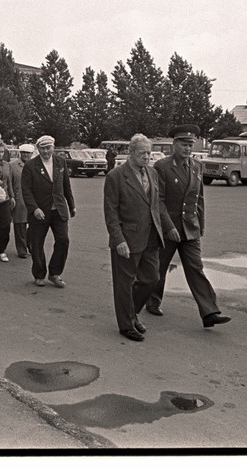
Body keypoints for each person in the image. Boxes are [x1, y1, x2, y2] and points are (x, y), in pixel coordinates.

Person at [148, 124, 232, 328]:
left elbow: (199, 198)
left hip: (190, 228)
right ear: (174, 144)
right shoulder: (162, 167)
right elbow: (158, 201)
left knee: (196, 268)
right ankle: (151, 301)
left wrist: (200, 225)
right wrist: (168, 227)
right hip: (169, 230)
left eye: (190, 144)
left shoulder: (196, 166)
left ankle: (209, 312)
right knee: (158, 268)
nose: (187, 148)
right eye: (184, 144)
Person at [103, 133, 165, 342]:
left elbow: (155, 205)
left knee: (151, 279)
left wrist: (166, 228)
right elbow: (111, 212)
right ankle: (126, 325)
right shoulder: (116, 176)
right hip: (127, 238)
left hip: (150, 237)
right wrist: (118, 239)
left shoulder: (153, 173)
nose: (147, 157)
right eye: (142, 153)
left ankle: (133, 312)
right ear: (130, 153)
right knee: (124, 283)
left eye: (149, 153)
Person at [21, 135, 75, 288]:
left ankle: (54, 273)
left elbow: (66, 185)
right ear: (38, 149)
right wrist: (34, 208)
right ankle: (39, 274)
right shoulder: (31, 166)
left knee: (63, 241)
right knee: (36, 244)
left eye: (48, 148)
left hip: (58, 209)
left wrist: (71, 205)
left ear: (53, 147)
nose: (46, 151)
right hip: (40, 211)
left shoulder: (60, 162)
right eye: (42, 148)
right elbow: (26, 191)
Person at [9, 143, 33, 258]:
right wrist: (11, 196)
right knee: (20, 226)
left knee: (34, 225)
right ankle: (22, 249)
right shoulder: (12, 165)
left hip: (34, 200)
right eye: (23, 152)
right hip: (19, 199)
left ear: (32, 154)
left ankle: (31, 245)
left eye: (28, 153)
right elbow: (9, 183)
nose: (25, 155)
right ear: (20, 153)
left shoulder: (36, 165)